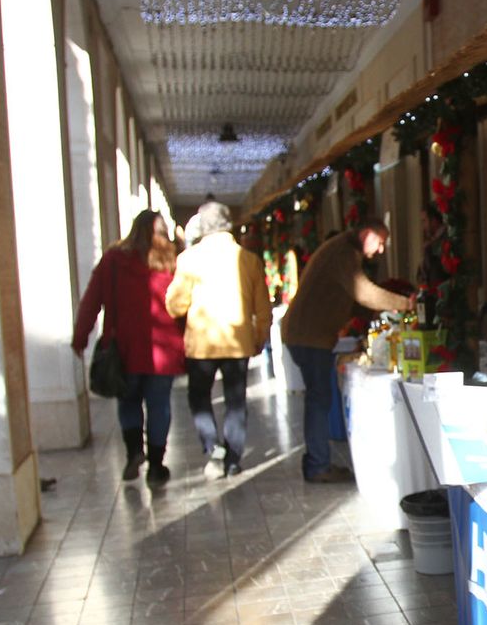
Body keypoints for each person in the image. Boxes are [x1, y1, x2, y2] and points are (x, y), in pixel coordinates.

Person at [281, 220, 412, 483]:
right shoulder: (342, 252)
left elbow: (347, 299)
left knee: (317, 399)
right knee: (319, 400)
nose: (381, 250)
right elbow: (362, 292)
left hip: (306, 335)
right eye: (380, 241)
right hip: (309, 337)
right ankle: (318, 465)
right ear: (367, 234)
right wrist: (404, 303)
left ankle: (315, 462)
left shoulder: (342, 251)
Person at [73, 210, 186, 485]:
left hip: (123, 349)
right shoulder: (171, 262)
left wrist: (80, 337)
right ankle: (157, 466)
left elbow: (91, 301)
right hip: (163, 352)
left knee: (128, 401)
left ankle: (135, 451)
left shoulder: (112, 260)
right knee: (159, 406)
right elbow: (185, 304)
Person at [166, 200, 271, 479]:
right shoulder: (249, 259)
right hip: (238, 342)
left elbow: (175, 305)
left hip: (201, 344)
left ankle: (213, 447)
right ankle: (234, 459)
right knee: (236, 401)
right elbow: (263, 308)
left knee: (199, 398)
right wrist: (260, 336)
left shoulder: (189, 259)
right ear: (229, 224)